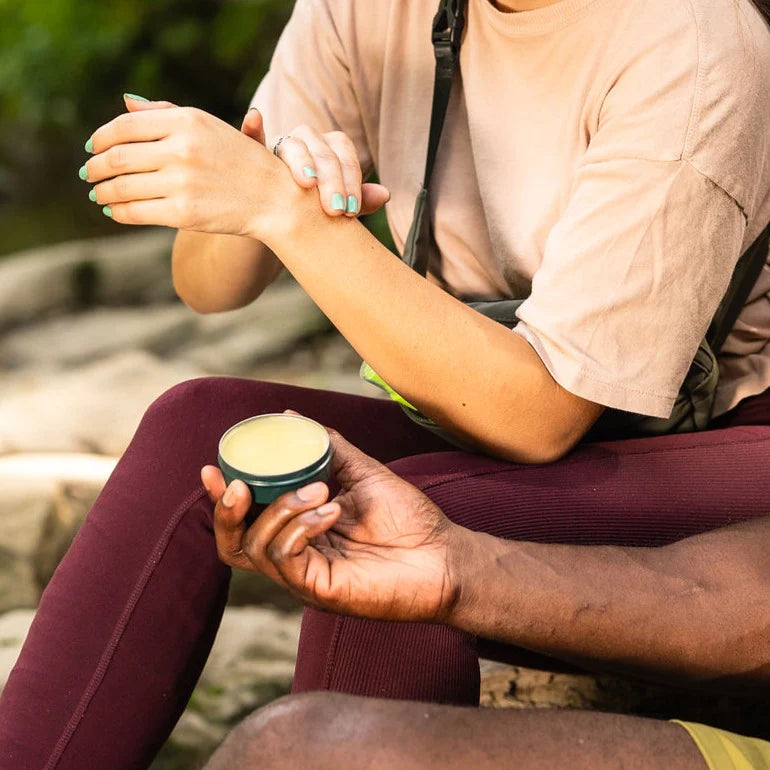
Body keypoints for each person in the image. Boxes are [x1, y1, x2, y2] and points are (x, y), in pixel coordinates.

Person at [2, 0, 770, 766]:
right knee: (193, 428)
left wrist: (292, 218)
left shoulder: (690, 43)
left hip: (721, 452)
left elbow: (542, 415)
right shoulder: (365, 9)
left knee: (385, 518)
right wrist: (264, 184)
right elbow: (207, 284)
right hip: (502, 414)